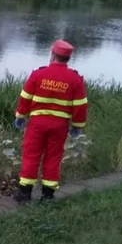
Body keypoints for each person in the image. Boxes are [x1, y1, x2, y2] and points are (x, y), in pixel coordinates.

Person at [13, 39, 88, 203]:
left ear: (53, 54)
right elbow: (80, 105)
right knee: (53, 157)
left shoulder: (39, 73)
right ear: (67, 58)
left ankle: (24, 194)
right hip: (60, 125)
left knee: (31, 155)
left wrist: (20, 116)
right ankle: (47, 196)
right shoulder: (75, 79)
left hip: (37, 123)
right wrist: (77, 126)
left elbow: (25, 97)